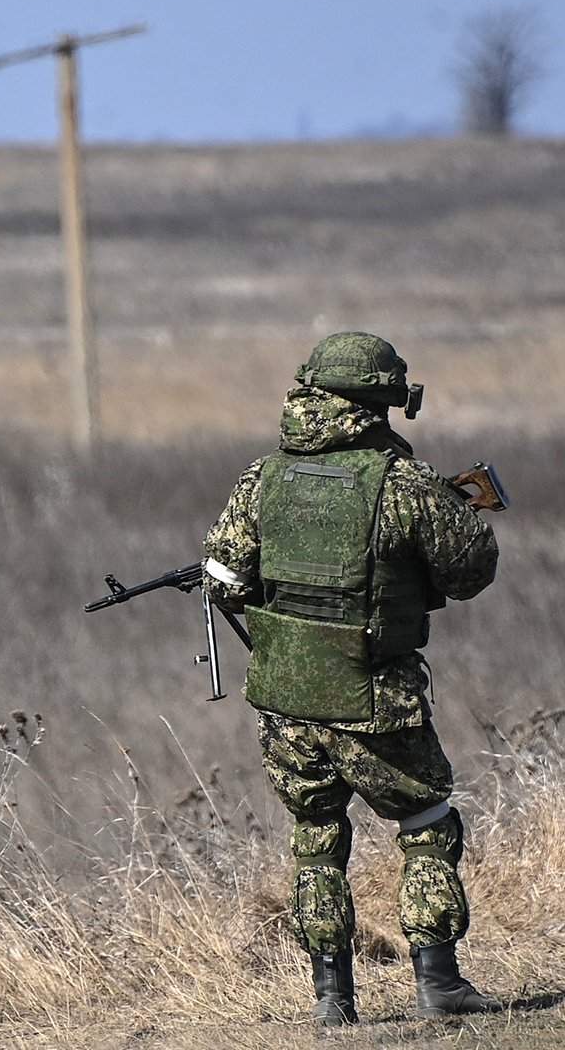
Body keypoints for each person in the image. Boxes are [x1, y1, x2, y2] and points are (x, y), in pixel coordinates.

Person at [201, 331, 501, 1027]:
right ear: (381, 401)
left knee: (316, 837)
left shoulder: (262, 477)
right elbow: (471, 572)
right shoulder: (403, 483)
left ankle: (333, 1002)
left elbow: (223, 576)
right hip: (374, 696)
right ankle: (441, 983)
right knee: (426, 822)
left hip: (285, 702)